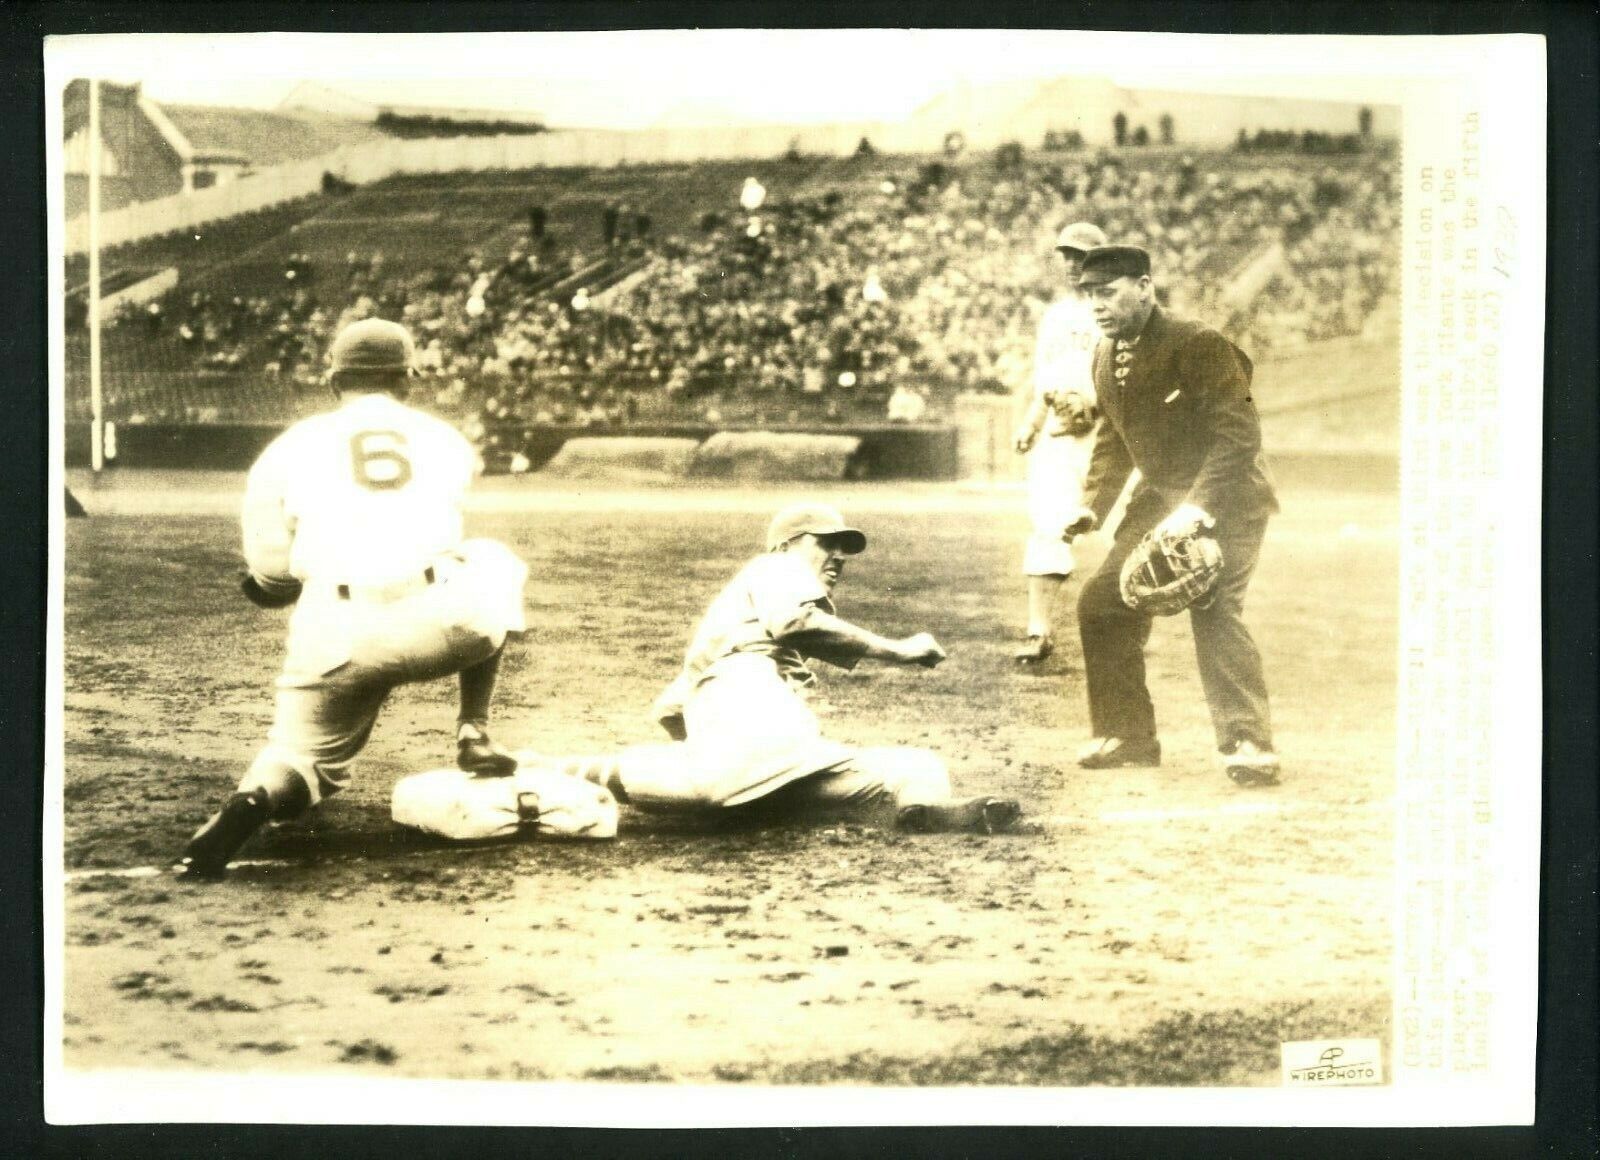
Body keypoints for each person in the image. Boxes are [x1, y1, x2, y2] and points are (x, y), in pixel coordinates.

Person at [175, 318, 531, 879]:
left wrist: (278, 581)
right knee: (494, 560)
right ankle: (473, 729)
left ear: (333, 380)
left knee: (298, 762)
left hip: (335, 630)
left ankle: (255, 800)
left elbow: (270, 577)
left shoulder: (286, 448)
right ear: (406, 378)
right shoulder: (447, 440)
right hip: (445, 620)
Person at [555, 504, 1022, 834]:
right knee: (729, 780)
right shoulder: (775, 566)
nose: (839, 555)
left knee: (915, 766)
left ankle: (924, 814)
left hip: (755, 723)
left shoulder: (735, 617)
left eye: (844, 547)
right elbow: (796, 623)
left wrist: (705, 736)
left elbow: (670, 710)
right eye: (827, 543)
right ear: (789, 544)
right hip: (748, 698)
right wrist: (898, 650)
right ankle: (722, 791)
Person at [1064, 246, 1282, 786]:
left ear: (1144, 287)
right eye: (1090, 294)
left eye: (1108, 292)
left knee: (1213, 605)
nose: (1097, 305)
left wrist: (1198, 508)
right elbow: (1116, 436)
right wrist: (1091, 508)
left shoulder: (1198, 343)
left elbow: (1240, 435)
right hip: (1160, 499)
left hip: (1229, 497)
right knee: (1101, 603)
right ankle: (1128, 737)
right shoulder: (1103, 354)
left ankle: (1248, 742)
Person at [1011, 221, 1107, 664]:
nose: (1071, 264)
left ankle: (1124, 627)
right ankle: (1038, 630)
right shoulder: (1056, 315)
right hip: (1056, 435)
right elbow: (1044, 382)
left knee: (1123, 531)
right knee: (1048, 526)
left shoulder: (1116, 308)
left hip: (1106, 436)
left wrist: (1094, 405)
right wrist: (1031, 423)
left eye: (1080, 255)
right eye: (1066, 255)